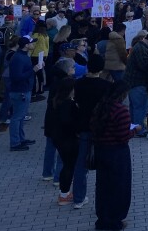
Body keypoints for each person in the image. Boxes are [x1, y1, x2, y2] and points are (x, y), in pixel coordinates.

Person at [91, 81, 138, 231]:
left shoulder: (101, 106)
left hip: (101, 151)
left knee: (103, 187)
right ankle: (114, 221)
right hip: (117, 154)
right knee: (119, 188)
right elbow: (123, 136)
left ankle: (103, 219)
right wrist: (135, 130)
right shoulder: (121, 111)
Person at [72, 53, 110, 210]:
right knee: (105, 164)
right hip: (101, 128)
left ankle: (78, 198)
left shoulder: (79, 84)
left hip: (83, 126)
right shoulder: (105, 86)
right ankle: (105, 199)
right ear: (101, 68)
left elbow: (76, 102)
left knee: (81, 163)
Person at [46, 77, 79, 206]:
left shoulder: (56, 102)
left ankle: (63, 193)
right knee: (69, 166)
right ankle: (64, 194)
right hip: (68, 139)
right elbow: (69, 122)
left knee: (67, 165)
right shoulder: (68, 104)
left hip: (58, 139)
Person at [8, 35, 42, 151]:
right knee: (17, 117)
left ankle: (21, 139)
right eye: (31, 43)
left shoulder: (23, 56)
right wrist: (33, 70)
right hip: (20, 91)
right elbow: (17, 77)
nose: (33, 44)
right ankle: (15, 143)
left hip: (24, 90)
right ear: (26, 45)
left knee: (21, 117)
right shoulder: (18, 58)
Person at [124, 32, 148, 138]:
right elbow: (144, 66)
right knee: (140, 107)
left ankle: (133, 127)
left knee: (134, 106)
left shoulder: (139, 46)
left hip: (133, 82)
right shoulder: (141, 49)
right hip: (138, 82)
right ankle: (139, 129)